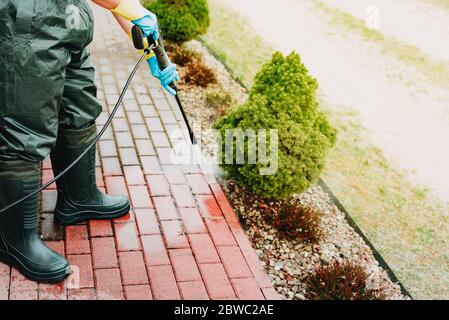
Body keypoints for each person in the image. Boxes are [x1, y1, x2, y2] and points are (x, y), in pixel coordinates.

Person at [0, 0, 178, 283]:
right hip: (25, 24)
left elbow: (121, 4)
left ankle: (78, 198)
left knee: (79, 109)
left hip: (68, 21)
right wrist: (135, 11)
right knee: (25, 131)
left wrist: (152, 53)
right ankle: (14, 239)